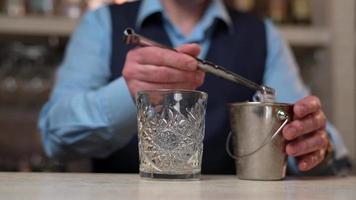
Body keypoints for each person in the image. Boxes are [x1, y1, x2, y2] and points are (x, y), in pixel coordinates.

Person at [39, 0, 351, 174]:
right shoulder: (102, 24)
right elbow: (55, 137)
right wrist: (127, 93)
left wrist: (317, 147)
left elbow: (326, 149)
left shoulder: (263, 36)